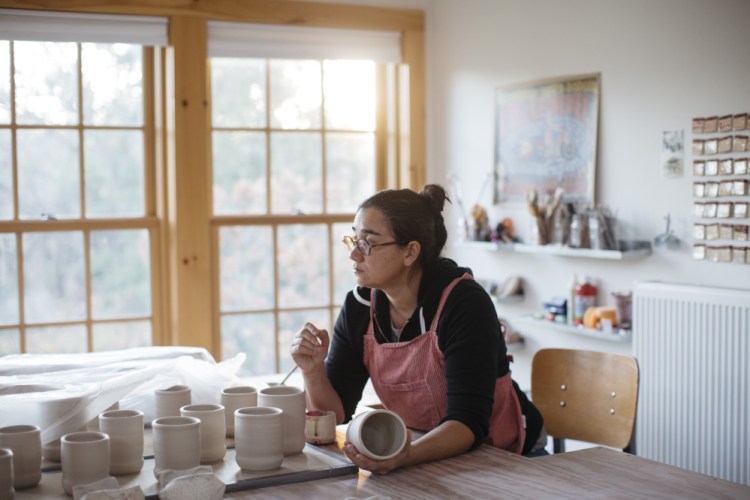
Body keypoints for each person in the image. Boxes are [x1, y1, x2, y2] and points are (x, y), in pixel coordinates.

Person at [291, 184, 544, 474]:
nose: (354, 255)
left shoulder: (464, 305)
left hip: (508, 456)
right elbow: (336, 414)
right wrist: (313, 371)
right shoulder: (360, 306)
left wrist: (404, 455)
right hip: (425, 452)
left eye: (368, 243)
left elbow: (467, 423)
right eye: (354, 240)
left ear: (410, 252)